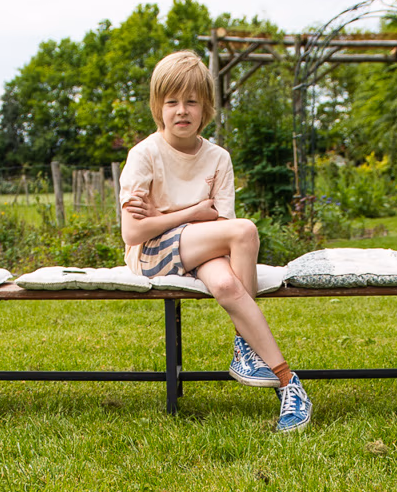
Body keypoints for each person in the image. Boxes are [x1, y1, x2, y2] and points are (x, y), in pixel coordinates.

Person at [118, 50, 313, 433]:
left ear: (206, 107)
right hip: (151, 254)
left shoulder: (218, 158)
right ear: (158, 106)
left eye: (191, 101)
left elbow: (222, 233)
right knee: (246, 230)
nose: (182, 111)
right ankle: (245, 345)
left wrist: (164, 215)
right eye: (172, 102)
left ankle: (288, 383)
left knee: (226, 284)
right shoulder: (145, 154)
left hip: (198, 248)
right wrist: (192, 211)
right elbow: (133, 233)